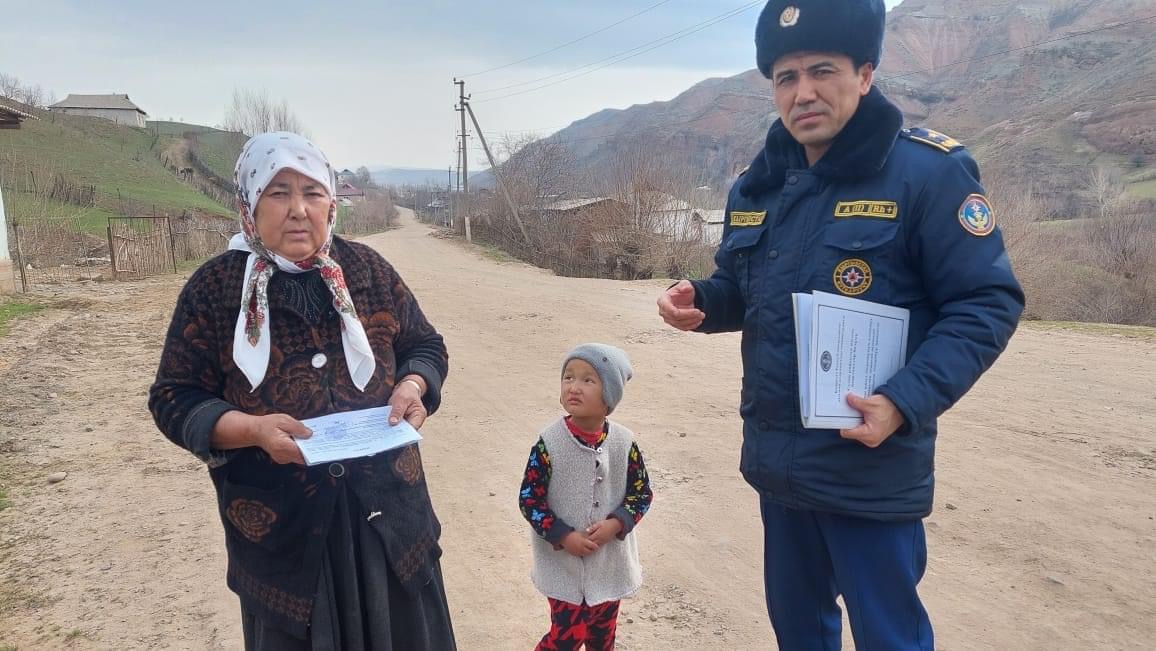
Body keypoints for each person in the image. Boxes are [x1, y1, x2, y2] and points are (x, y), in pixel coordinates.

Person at [656, 1, 1025, 648]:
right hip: (778, 466)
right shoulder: (756, 187)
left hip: (870, 468)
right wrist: (703, 301)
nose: (803, 92)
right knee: (798, 632)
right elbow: (743, 288)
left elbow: (986, 301)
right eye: (786, 77)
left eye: (822, 70)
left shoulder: (928, 174)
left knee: (889, 637)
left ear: (865, 73)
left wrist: (902, 402)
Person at [149, 131, 456, 650]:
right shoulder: (215, 290)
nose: (298, 209)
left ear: (331, 203)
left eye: (312, 192)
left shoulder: (368, 271)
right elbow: (174, 397)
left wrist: (413, 384)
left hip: (392, 525)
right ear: (249, 204)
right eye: (278, 193)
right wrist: (251, 431)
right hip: (284, 536)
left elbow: (424, 344)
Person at [518, 343, 653, 651]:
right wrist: (563, 535)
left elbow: (641, 493)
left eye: (588, 380)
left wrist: (616, 524)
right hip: (563, 567)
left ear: (610, 396)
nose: (574, 387)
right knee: (567, 638)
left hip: (609, 566)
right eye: (568, 377)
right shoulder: (549, 443)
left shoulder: (624, 443)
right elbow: (530, 499)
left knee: (602, 638)